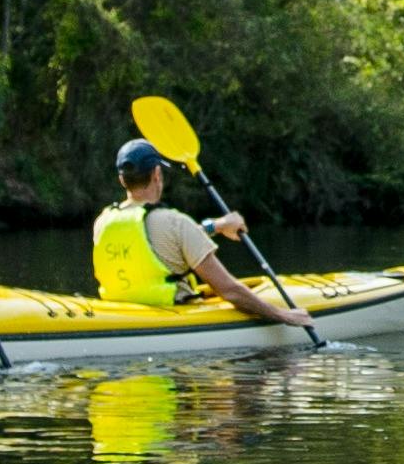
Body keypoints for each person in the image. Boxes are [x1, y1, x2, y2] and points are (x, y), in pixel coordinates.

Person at [92, 137, 311, 328]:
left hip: (121, 312)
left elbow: (156, 243)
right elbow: (229, 290)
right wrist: (283, 315)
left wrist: (217, 225)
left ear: (122, 179)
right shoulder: (175, 222)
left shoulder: (103, 221)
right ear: (157, 174)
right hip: (170, 314)